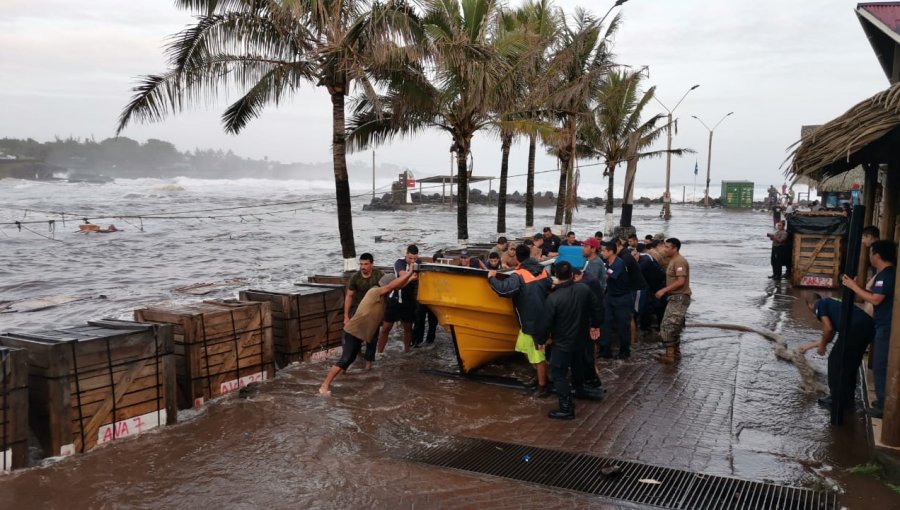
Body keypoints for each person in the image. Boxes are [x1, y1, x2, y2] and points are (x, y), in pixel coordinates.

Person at [320, 270, 417, 396]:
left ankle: (341, 379)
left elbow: (395, 286)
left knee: (349, 360)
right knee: (345, 360)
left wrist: (409, 280)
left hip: (362, 333)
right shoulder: (375, 291)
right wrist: (409, 273)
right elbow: (392, 286)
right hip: (352, 332)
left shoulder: (383, 297)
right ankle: (324, 385)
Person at [533, 261, 602, 419]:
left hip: (563, 342)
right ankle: (580, 390)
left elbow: (545, 323)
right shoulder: (584, 288)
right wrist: (595, 325)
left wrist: (540, 340)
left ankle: (566, 408)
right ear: (572, 274)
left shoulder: (553, 298)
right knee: (577, 366)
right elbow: (597, 307)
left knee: (557, 373)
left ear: (556, 276)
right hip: (581, 339)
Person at [487, 244, 552, 397]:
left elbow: (504, 290)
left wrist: (491, 278)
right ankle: (540, 375)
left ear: (517, 257)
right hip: (538, 318)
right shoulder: (542, 270)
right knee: (523, 348)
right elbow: (549, 284)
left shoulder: (519, 275)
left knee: (537, 355)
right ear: (529, 254)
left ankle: (543, 386)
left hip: (532, 322)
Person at [841, 240, 896, 418]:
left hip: (886, 326)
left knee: (880, 366)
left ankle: (883, 405)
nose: (870, 256)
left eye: (871, 252)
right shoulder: (888, 274)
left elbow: (876, 300)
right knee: (882, 364)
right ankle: (883, 400)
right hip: (884, 324)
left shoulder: (885, 276)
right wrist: (859, 288)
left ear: (877, 255)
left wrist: (854, 287)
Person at [798, 294, 874, 411]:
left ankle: (836, 399)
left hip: (853, 328)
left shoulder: (819, 305)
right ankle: (847, 400)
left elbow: (827, 329)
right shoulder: (832, 303)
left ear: (810, 304)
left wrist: (822, 347)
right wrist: (809, 346)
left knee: (835, 362)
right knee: (850, 365)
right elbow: (831, 333)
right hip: (868, 326)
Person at [377, 244, 420, 353]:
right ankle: (379, 352)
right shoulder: (399, 262)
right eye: (410, 258)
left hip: (409, 300)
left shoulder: (419, 263)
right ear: (406, 255)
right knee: (386, 328)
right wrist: (411, 275)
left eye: (415, 258)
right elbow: (402, 277)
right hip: (395, 299)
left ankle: (406, 351)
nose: (412, 261)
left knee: (408, 327)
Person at [655, 238, 691, 364]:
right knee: (674, 326)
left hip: (679, 298)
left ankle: (670, 356)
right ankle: (674, 352)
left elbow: (681, 281)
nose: (665, 249)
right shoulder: (673, 261)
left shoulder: (679, 261)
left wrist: (664, 290)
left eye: (667, 247)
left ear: (675, 248)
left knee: (668, 326)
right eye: (664, 246)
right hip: (675, 298)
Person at [599, 241, 632, 359]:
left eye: (603, 251)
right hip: (610, 296)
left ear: (611, 252)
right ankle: (605, 350)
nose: (601, 252)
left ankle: (624, 351)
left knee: (623, 325)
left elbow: (606, 276)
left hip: (622, 298)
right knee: (605, 322)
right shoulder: (607, 262)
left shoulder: (618, 263)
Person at [343, 253, 385, 325]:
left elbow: (387, 290)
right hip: (359, 307)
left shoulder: (379, 275)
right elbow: (349, 296)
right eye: (361, 264)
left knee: (373, 333)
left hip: (374, 307)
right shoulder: (355, 277)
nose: (363, 267)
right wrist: (346, 316)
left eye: (366, 264)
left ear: (372, 264)